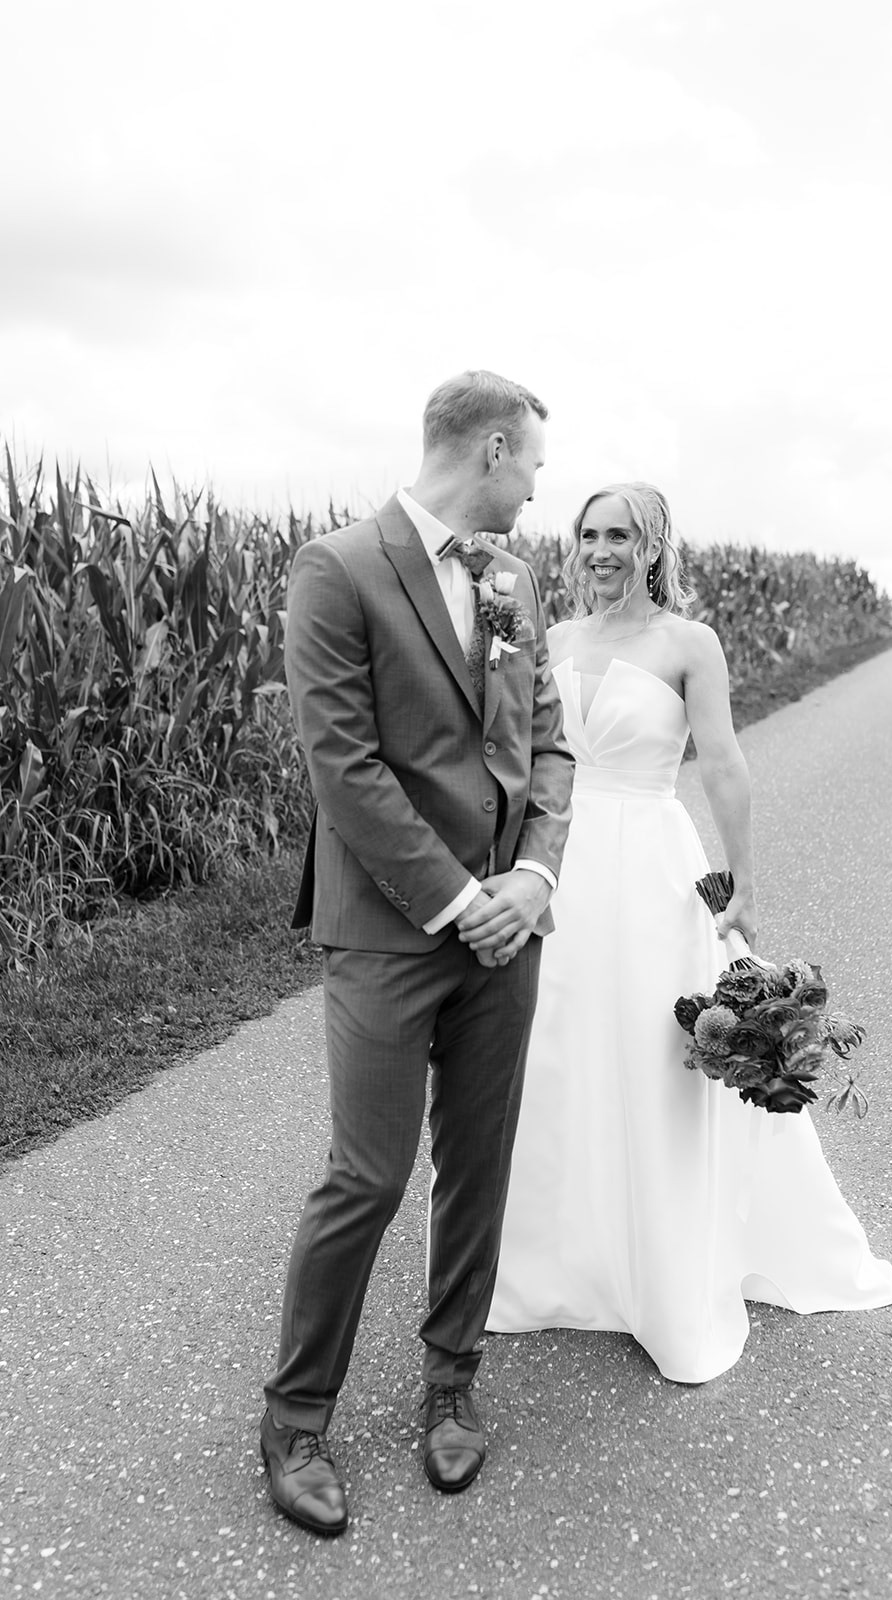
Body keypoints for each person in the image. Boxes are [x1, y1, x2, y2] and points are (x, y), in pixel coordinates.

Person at [486, 482, 892, 1383]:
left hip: (649, 863)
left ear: (651, 546)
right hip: (556, 862)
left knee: (649, 1054)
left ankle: (665, 1266)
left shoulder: (688, 644)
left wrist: (743, 881)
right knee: (553, 1049)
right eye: (588, 534)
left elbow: (722, 763)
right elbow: (518, 762)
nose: (600, 550)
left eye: (619, 535)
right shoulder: (552, 640)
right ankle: (556, 1260)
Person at [260, 370, 574, 1536]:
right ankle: (295, 1417)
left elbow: (548, 744)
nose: (534, 486)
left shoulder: (512, 578)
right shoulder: (336, 568)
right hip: (392, 929)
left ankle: (451, 1382)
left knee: (477, 1161)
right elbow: (341, 765)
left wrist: (532, 877)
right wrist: (456, 899)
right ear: (490, 448)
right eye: (531, 461)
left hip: (507, 924)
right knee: (369, 1173)